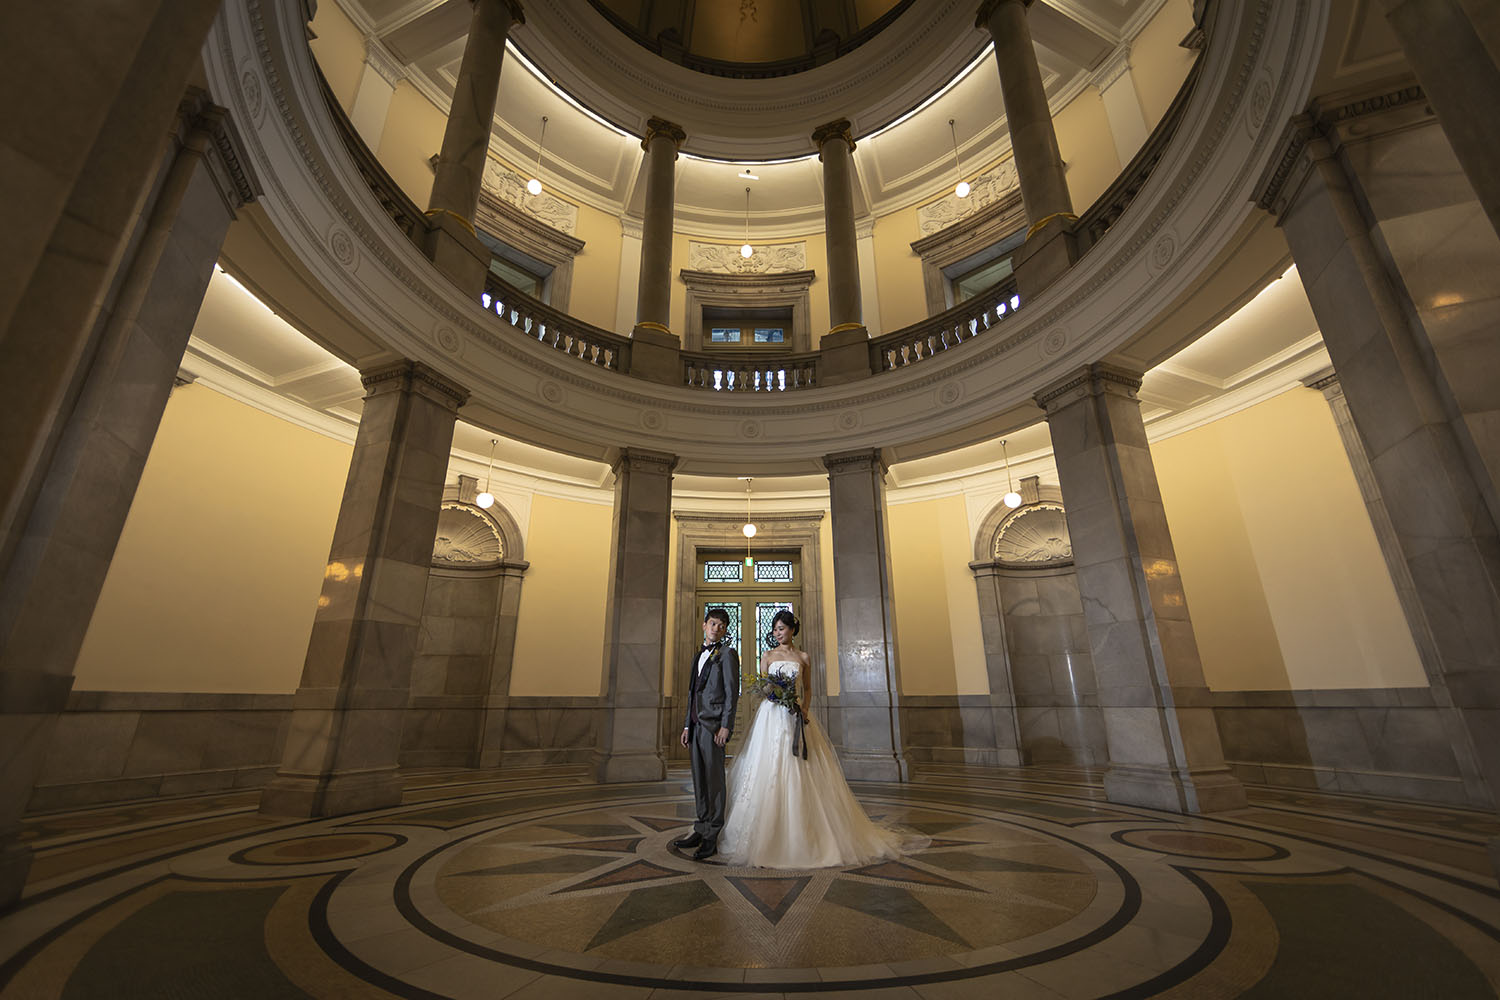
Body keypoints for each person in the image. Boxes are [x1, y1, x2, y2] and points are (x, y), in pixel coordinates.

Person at [718, 609, 912, 868]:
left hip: (796, 715)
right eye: (775, 629)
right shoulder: (767, 656)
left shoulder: (803, 657)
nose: (778, 633)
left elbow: (807, 689)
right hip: (772, 716)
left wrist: (804, 708)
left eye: (782, 628)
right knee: (768, 766)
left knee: (800, 765)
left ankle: (807, 836)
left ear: (792, 630)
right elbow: (764, 686)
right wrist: (775, 696)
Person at [674, 607, 740, 861]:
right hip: (695, 725)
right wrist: (687, 725)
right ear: (704, 625)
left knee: (714, 782)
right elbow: (691, 693)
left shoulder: (727, 655)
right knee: (699, 779)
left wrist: (726, 725)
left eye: (722, 626)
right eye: (713, 623)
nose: (717, 628)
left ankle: (713, 833)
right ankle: (700, 827)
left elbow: (731, 693)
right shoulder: (698, 655)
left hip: (714, 727)